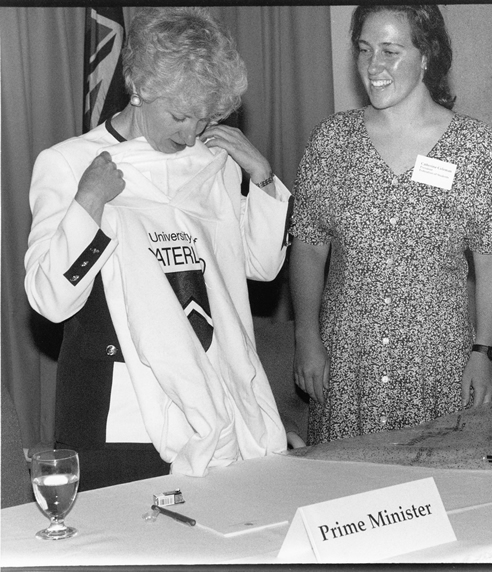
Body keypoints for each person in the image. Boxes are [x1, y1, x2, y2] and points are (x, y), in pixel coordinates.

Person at [24, 7, 295, 490]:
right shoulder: (69, 163)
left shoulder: (211, 163)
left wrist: (263, 179)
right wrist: (89, 202)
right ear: (140, 88)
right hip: (116, 413)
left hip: (212, 400)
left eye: (204, 118)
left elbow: (260, 266)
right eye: (179, 115)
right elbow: (49, 298)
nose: (190, 133)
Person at [289, 4, 492, 445]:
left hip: (438, 365)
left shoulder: (476, 148)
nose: (373, 66)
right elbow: (309, 246)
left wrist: (484, 352)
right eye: (364, 49)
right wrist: (306, 337)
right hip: (348, 364)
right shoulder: (331, 141)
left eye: (391, 51)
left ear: (427, 55)